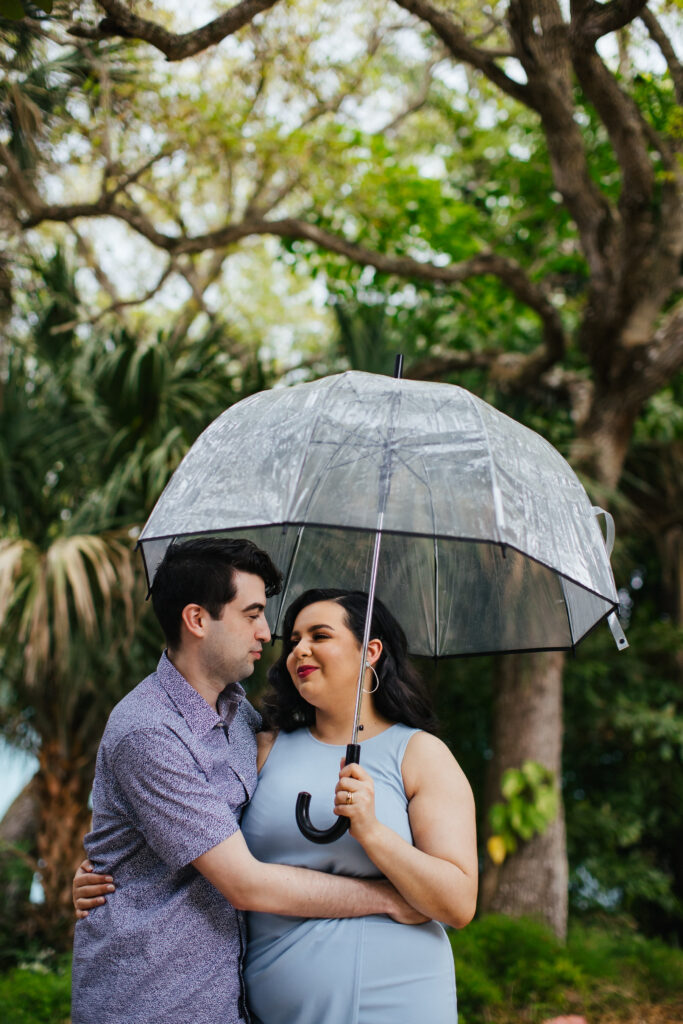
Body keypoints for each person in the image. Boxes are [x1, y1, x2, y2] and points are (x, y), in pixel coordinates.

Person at [71, 542, 425, 1024]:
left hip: (229, 1002)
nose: (267, 632)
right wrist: (388, 899)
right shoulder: (148, 730)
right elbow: (245, 883)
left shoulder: (240, 715)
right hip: (150, 1001)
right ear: (197, 620)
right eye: (253, 613)